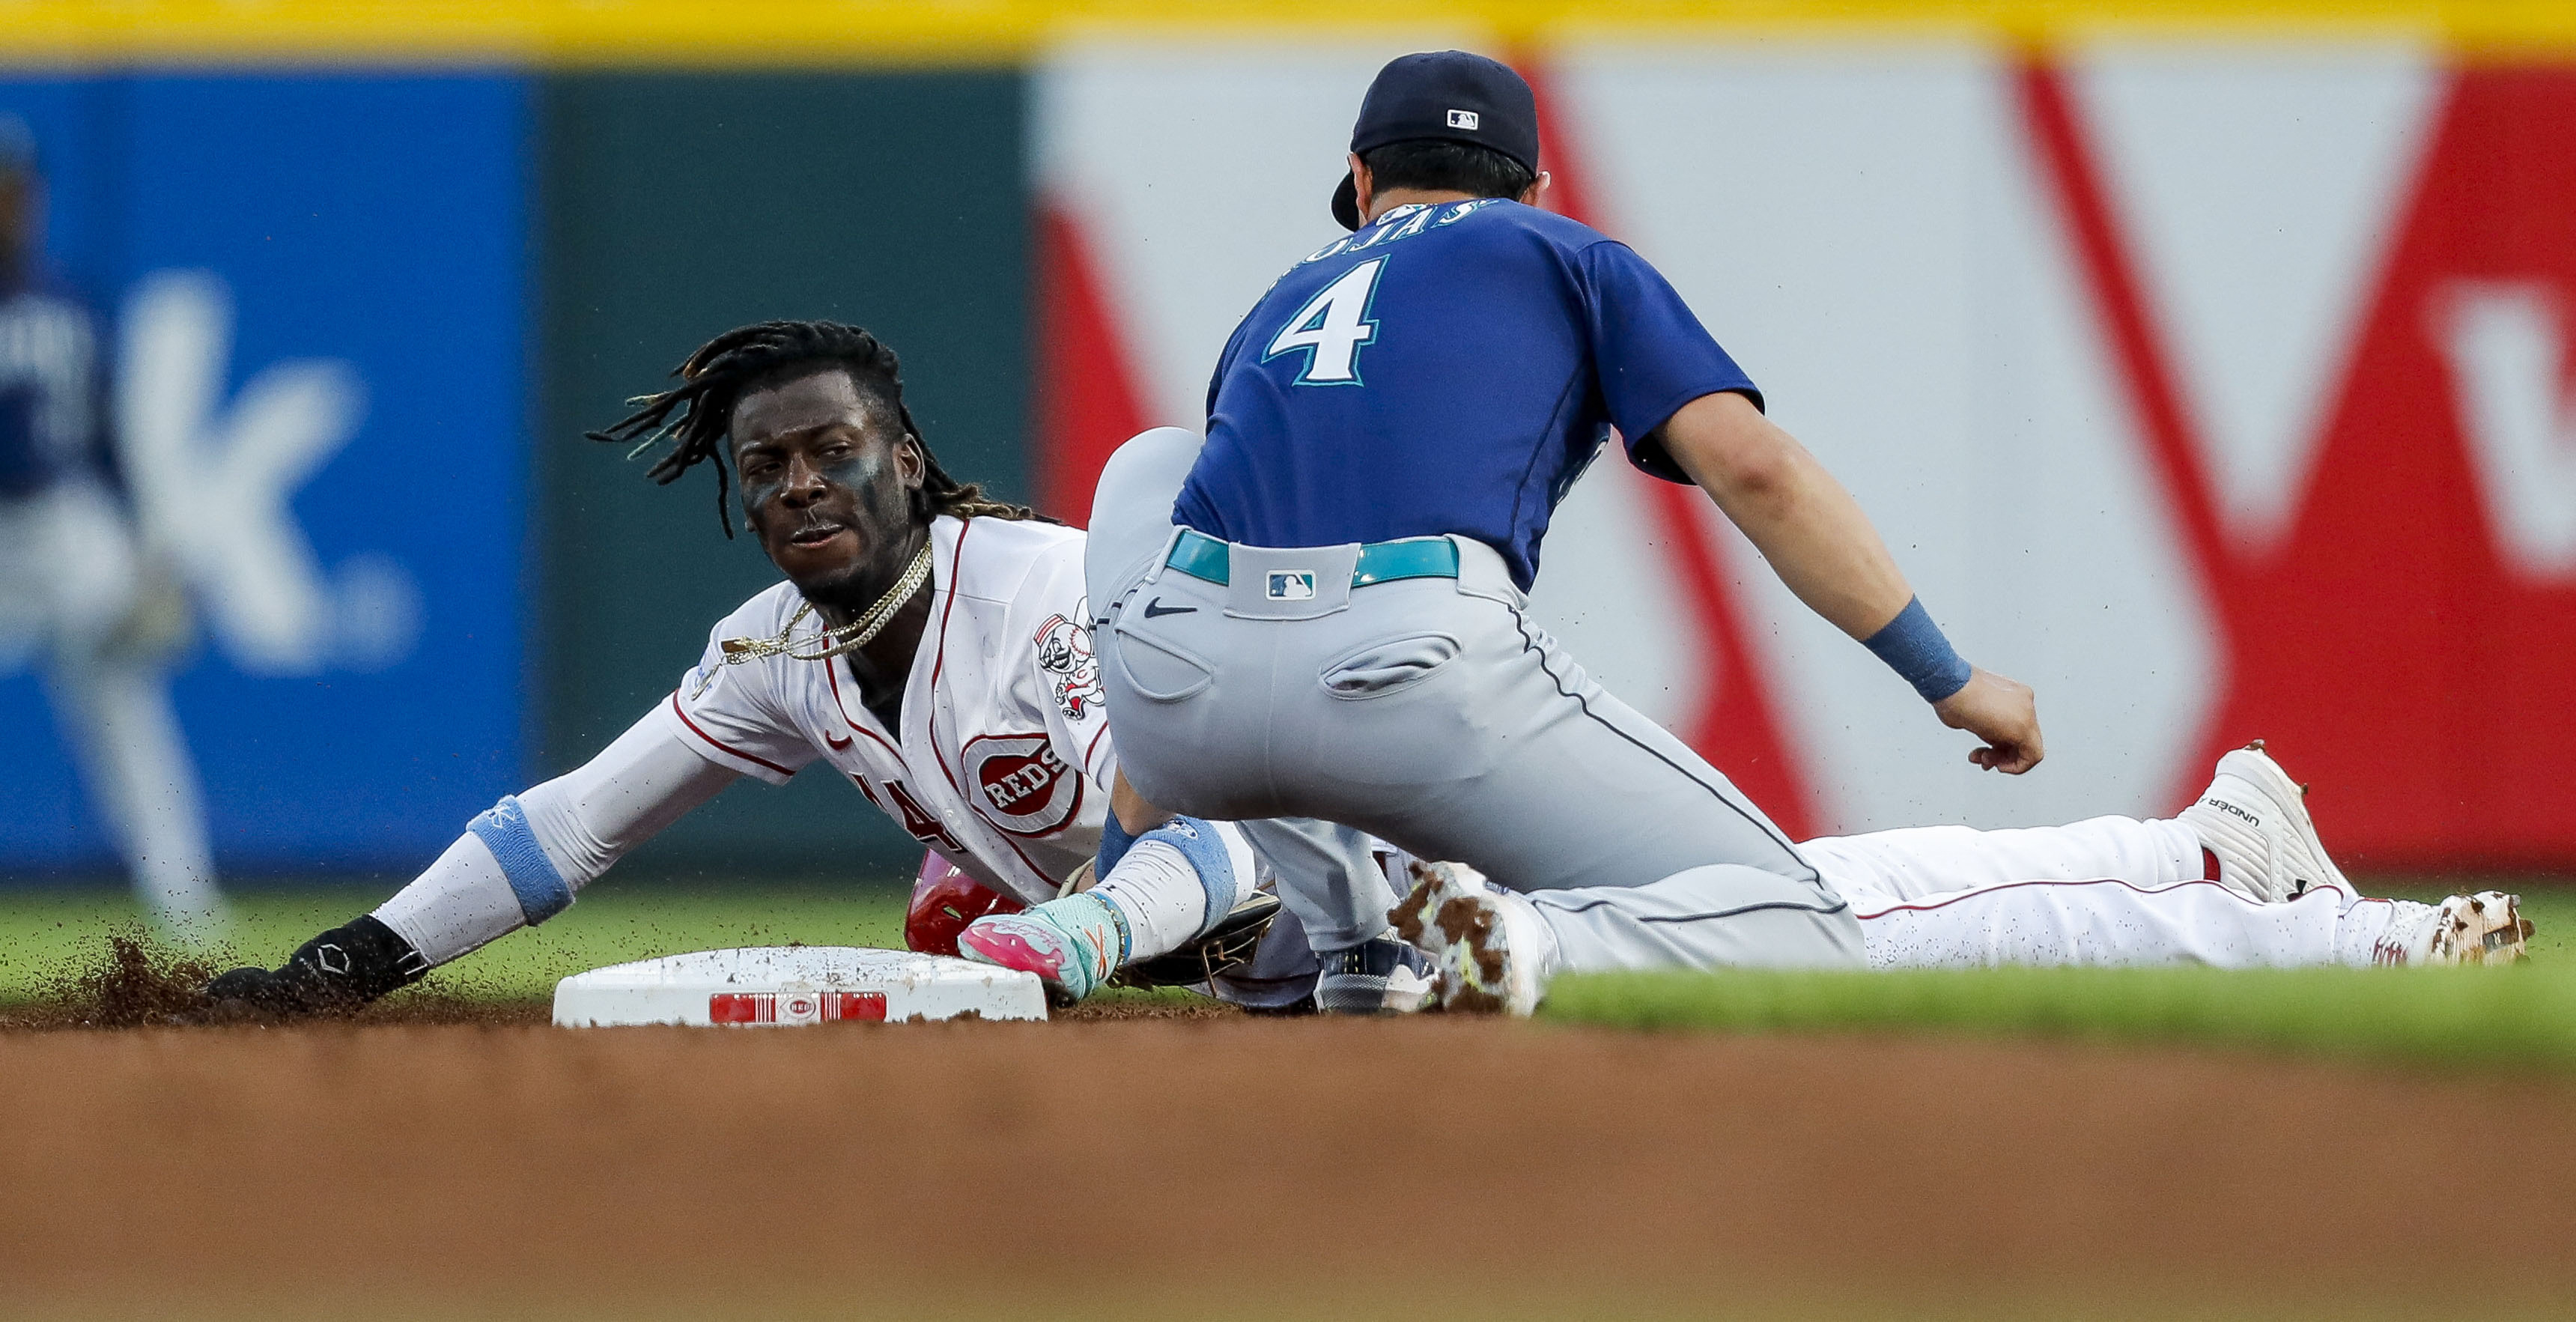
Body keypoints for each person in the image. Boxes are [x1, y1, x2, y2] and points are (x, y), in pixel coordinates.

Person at [1051, 50, 2530, 1016]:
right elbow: (1750, 467)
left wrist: (1127, 861)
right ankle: (1529, 948)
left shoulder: (1282, 300)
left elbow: (1214, 549)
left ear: (1360, 186)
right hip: (1407, 667)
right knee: (1789, 921)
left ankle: (1373, 956)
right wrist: (1945, 675)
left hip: (1181, 694)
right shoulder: (1562, 251)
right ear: (1536, 186)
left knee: (1157, 468)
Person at [207, 321, 1424, 1017]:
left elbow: (1220, 829)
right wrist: (353, 957)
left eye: (832, 449)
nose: (798, 482)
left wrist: (1085, 929)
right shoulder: (772, 648)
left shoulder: (1052, 590)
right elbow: (573, 822)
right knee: (948, 914)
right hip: (1277, 988)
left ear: (905, 459)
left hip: (1423, 908)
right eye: (766, 463)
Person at [0, 119, 219, 936]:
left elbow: (105, 439)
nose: (9, 207)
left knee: (126, 705)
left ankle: (186, 907)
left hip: (63, 528)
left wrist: (141, 541)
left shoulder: (67, 298)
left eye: (16, 191)